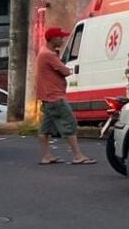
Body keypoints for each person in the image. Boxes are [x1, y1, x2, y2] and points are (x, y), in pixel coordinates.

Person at [36, 27, 94, 165]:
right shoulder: (48, 55)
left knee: (45, 128)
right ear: (53, 39)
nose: (62, 40)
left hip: (47, 96)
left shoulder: (44, 53)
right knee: (69, 123)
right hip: (55, 97)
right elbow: (65, 71)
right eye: (60, 38)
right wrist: (67, 68)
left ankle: (47, 156)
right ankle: (78, 155)